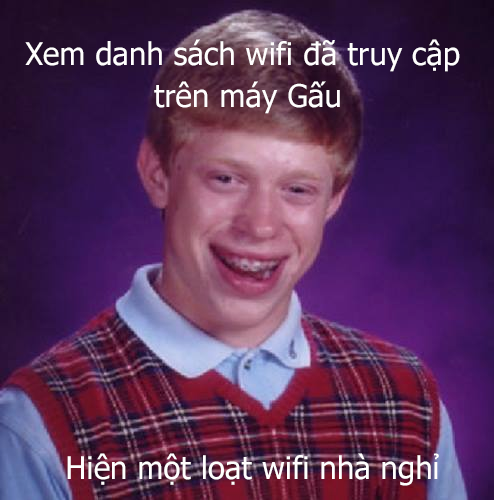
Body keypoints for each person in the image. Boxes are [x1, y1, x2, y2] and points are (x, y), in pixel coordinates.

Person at [0, 10, 467, 500]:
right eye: (226, 179)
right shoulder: (40, 427)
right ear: (158, 174)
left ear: (334, 199)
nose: (260, 224)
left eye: (297, 189)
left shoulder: (407, 403)